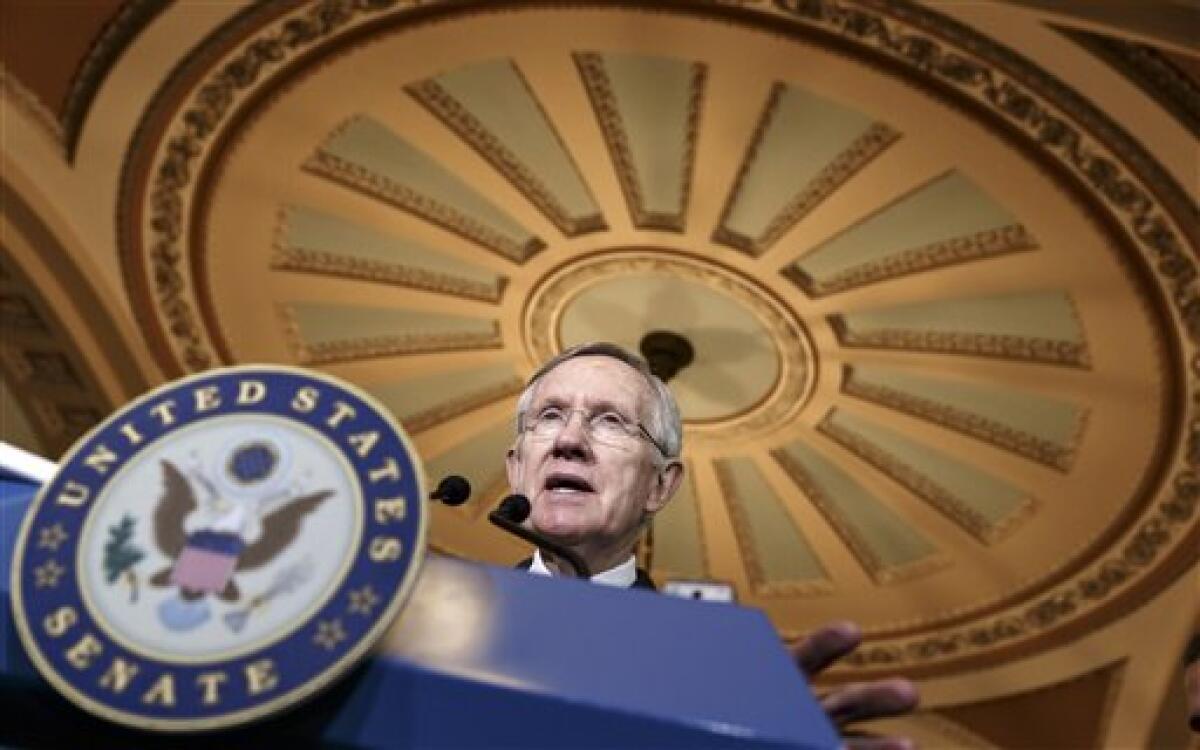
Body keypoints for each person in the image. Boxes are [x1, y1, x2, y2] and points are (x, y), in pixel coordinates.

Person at [504, 341, 919, 749]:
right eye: (551, 415)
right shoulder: (442, 614)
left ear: (660, 485)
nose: (569, 440)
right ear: (517, 468)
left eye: (611, 421)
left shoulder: (712, 673)